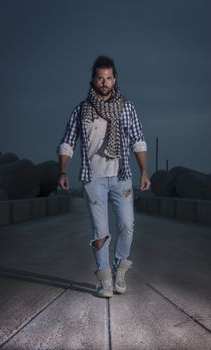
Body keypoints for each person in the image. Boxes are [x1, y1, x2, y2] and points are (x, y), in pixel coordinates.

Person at [57, 56, 150, 298]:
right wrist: (63, 171)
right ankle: (105, 280)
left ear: (115, 79)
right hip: (93, 179)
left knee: (127, 226)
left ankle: (120, 269)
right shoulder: (81, 110)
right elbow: (68, 142)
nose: (104, 82)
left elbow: (138, 140)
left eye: (108, 78)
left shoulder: (127, 108)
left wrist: (144, 171)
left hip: (122, 177)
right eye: (100, 78)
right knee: (100, 232)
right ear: (93, 79)